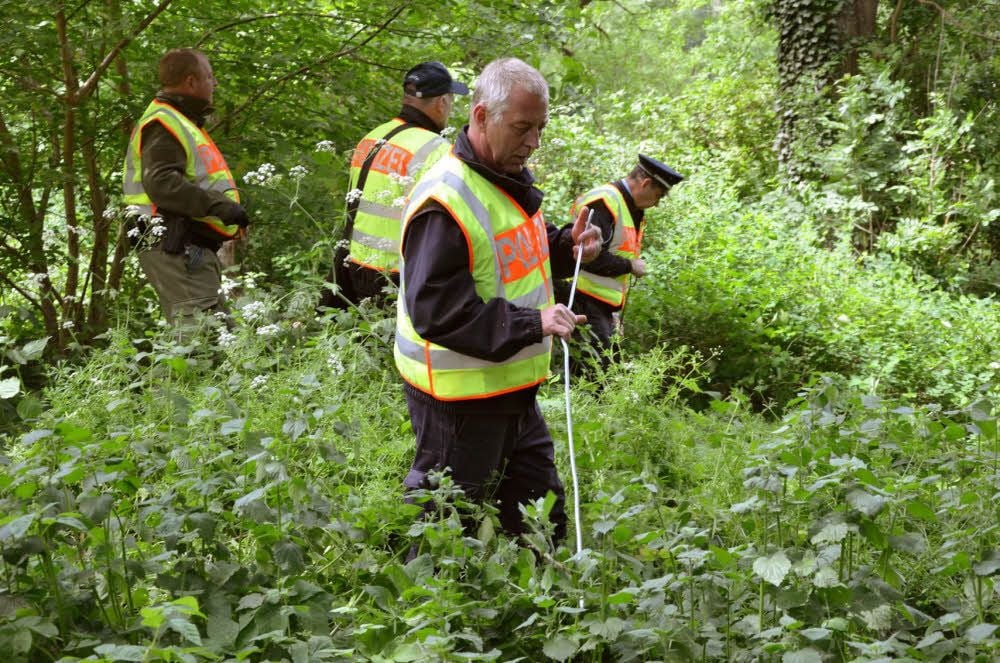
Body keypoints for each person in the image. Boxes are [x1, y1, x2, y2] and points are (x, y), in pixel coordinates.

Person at [394, 57, 602, 548]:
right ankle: (426, 615)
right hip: (458, 403)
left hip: (512, 390)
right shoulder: (447, 200)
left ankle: (540, 606)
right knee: (443, 526)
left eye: (540, 128)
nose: (533, 142)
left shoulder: (502, 178)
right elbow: (437, 312)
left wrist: (565, 246)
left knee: (539, 514)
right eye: (523, 128)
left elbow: (511, 257)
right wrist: (534, 323)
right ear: (482, 116)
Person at [320, 61, 469, 309]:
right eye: (450, 100)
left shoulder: (373, 137)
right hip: (394, 275)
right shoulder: (436, 149)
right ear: (442, 102)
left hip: (353, 265)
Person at [122, 48, 249, 327]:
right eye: (209, 76)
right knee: (198, 339)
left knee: (218, 334)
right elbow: (162, 184)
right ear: (191, 81)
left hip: (185, 243)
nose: (214, 83)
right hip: (172, 242)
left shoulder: (178, 120)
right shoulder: (164, 122)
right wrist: (221, 206)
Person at [566, 154, 683, 368]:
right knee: (598, 373)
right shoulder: (605, 202)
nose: (656, 204)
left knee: (607, 368)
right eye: (658, 196)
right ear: (645, 183)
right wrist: (630, 266)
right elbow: (587, 256)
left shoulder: (630, 207)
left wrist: (614, 314)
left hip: (600, 304)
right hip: (581, 297)